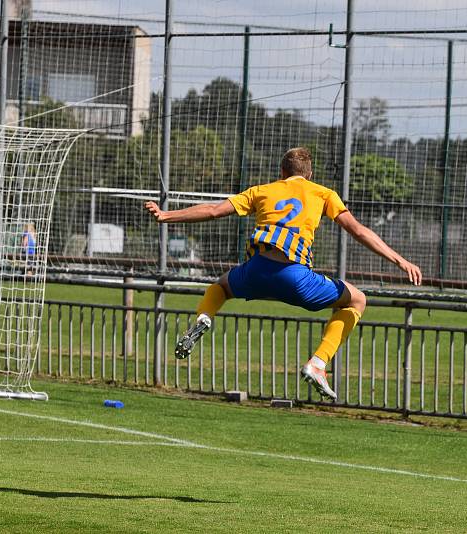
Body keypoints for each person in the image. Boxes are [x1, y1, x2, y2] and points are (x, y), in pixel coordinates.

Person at [144, 147, 421, 400]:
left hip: (257, 270)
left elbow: (215, 211)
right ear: (309, 174)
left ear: (282, 172)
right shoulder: (323, 193)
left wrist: (167, 215)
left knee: (221, 287)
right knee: (357, 299)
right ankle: (318, 363)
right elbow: (358, 230)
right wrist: (400, 261)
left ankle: (204, 316)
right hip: (294, 276)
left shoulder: (261, 190)